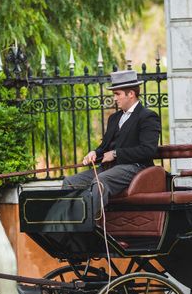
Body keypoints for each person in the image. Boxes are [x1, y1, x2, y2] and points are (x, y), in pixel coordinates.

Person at [62, 70, 161, 211]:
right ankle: (68, 225)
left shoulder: (147, 116)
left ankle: (89, 226)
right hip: (110, 169)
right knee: (70, 182)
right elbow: (104, 147)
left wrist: (115, 154)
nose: (115, 98)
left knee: (100, 181)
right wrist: (95, 153)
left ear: (131, 94)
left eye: (117, 94)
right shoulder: (114, 118)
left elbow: (148, 150)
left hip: (135, 168)